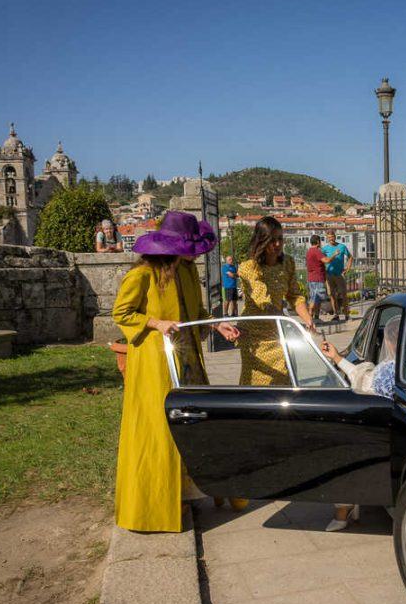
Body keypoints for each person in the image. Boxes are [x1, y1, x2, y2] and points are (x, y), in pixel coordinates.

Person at [112, 211, 240, 531]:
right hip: (156, 366)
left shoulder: (186, 272)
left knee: (194, 425)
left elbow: (194, 313)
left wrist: (217, 323)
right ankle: (160, 504)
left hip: (188, 362)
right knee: (161, 431)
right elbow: (122, 313)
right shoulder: (141, 275)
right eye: (189, 246)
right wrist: (156, 323)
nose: (194, 253)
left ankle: (191, 491)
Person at [318, 316, 400, 531]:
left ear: (389, 343)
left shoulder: (383, 372)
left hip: (384, 437)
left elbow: (358, 377)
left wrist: (336, 357)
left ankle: (343, 512)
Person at [237, 216, 316, 386]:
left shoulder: (288, 263)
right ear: (261, 241)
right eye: (272, 240)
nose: (278, 244)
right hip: (255, 337)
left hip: (278, 331)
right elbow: (263, 300)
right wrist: (288, 324)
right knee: (259, 383)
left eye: (280, 239)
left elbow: (294, 295)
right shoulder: (248, 267)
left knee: (285, 377)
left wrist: (308, 319)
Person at [321, 230, 352, 321]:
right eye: (329, 237)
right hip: (329, 275)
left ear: (335, 237)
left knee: (344, 295)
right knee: (332, 295)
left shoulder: (342, 247)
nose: (331, 239)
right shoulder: (325, 249)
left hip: (339, 275)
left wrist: (347, 268)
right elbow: (322, 261)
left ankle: (347, 315)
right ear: (327, 238)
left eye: (332, 237)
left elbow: (350, 257)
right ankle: (336, 314)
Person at [305, 235, 328, 322]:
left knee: (316, 299)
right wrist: (334, 255)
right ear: (318, 242)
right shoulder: (316, 251)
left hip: (312, 278)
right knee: (314, 299)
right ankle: (310, 318)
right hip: (317, 278)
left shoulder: (309, 251)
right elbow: (326, 260)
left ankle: (316, 317)